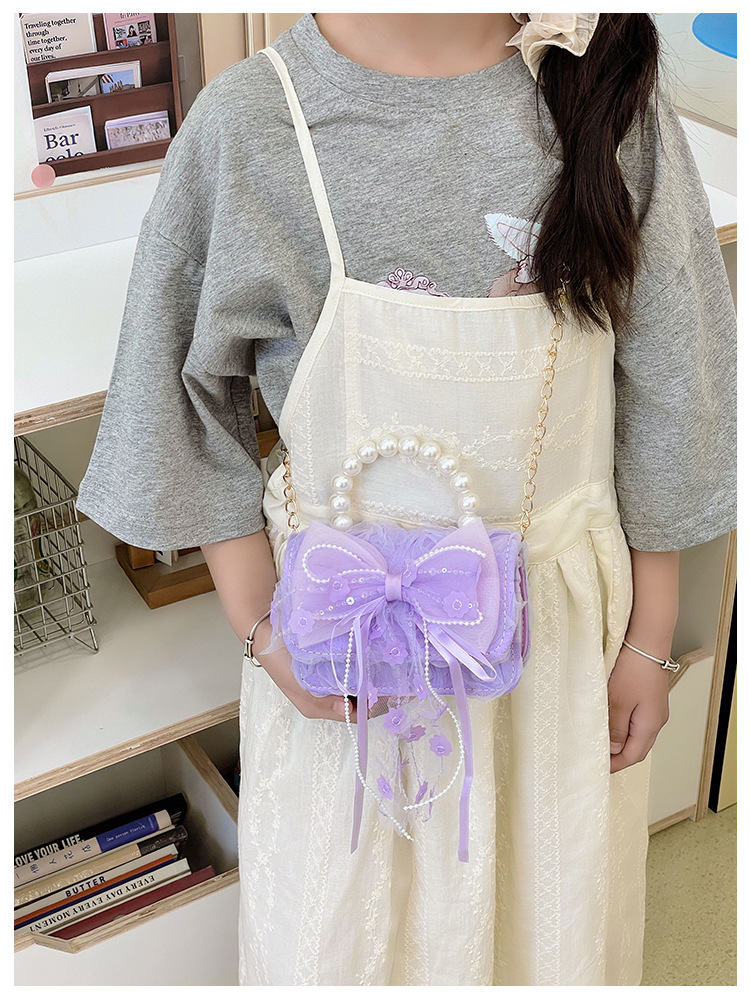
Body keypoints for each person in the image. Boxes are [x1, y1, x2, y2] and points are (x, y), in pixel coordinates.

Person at [77, 13, 737, 987]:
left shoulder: (607, 96)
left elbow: (676, 380)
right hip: (344, 655)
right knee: (345, 933)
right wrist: (261, 626)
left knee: (550, 924)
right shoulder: (250, 124)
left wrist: (651, 635)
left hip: (562, 650)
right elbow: (177, 397)